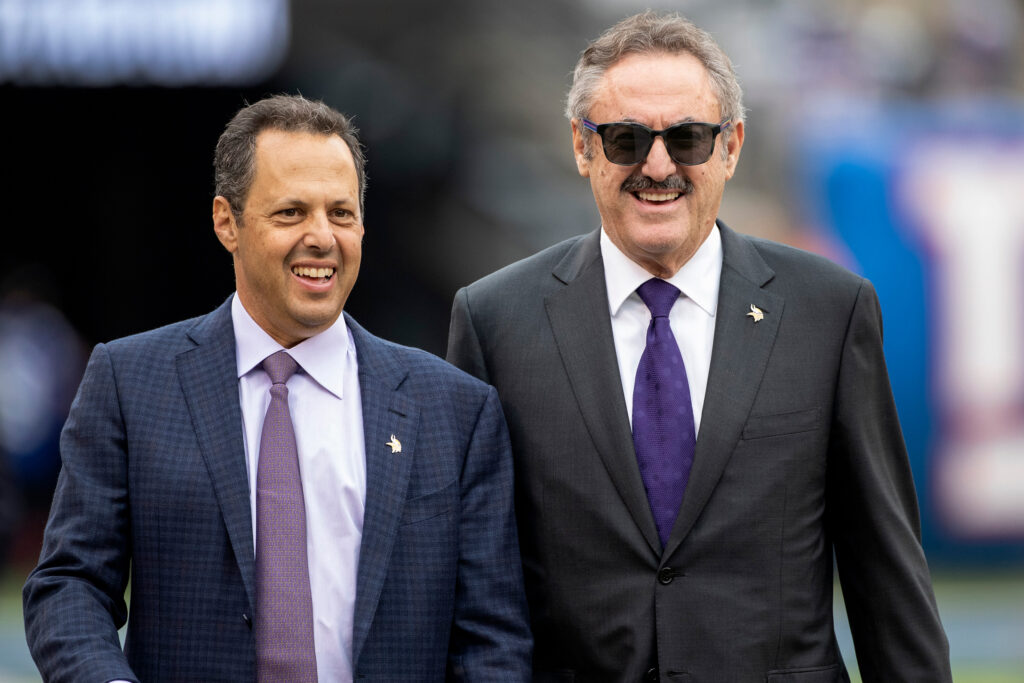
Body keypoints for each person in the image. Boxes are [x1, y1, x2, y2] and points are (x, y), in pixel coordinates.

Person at [447, 11, 951, 683]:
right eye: (626, 139)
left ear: (732, 145)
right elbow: (473, 589)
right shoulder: (494, 321)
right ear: (581, 146)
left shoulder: (828, 310)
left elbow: (885, 576)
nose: (658, 166)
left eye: (687, 138)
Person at [24, 94, 531, 682]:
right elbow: (70, 583)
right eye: (291, 212)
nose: (321, 237)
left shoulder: (455, 409)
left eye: (340, 213)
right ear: (226, 222)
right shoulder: (130, 381)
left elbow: (492, 638)